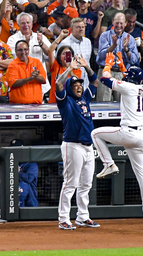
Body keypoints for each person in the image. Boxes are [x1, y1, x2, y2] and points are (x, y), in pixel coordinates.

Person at [91, 66, 143, 226]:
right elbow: (129, 79)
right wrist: (123, 68)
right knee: (142, 173)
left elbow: (104, 79)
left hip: (129, 132)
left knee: (95, 134)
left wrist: (107, 64)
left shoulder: (129, 87)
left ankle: (109, 164)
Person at [55, 55, 99, 230]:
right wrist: (70, 69)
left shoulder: (85, 99)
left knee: (86, 184)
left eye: (80, 84)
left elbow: (95, 82)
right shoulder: (65, 101)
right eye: (75, 85)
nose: (79, 87)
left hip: (88, 147)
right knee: (70, 183)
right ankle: (64, 218)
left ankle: (82, 216)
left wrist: (86, 67)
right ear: (70, 88)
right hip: (72, 145)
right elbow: (58, 83)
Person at [96, 12, 139, 102]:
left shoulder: (130, 38)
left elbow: (134, 60)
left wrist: (126, 49)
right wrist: (113, 46)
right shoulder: (105, 35)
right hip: (106, 72)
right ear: (112, 22)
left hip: (122, 74)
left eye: (121, 23)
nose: (119, 25)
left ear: (125, 24)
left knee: (122, 103)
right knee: (103, 103)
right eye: (117, 23)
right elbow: (101, 56)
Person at [5, 39, 47, 104]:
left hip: (36, 105)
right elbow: (13, 83)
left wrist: (36, 76)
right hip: (17, 106)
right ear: (15, 52)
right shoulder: (12, 65)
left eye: (25, 49)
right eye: (20, 50)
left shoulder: (37, 62)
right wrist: (29, 79)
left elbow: (43, 80)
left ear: (28, 50)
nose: (23, 52)